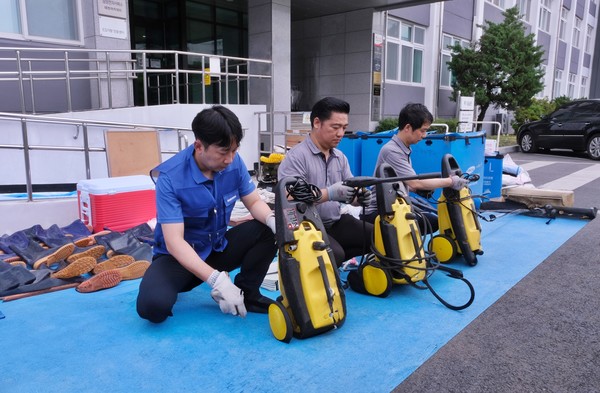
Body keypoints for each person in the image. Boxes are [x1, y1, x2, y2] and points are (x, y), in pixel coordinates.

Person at [136, 105, 277, 323]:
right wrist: (217, 281)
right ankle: (218, 286)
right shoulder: (170, 179)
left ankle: (247, 293)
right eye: (223, 152)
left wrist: (272, 220)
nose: (230, 159)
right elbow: (174, 243)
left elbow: (254, 201)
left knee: (266, 229)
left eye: (234, 150)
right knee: (152, 307)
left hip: (217, 248)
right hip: (179, 259)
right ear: (199, 146)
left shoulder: (233, 164)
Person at [277, 97, 373, 267]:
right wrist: (329, 194)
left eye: (344, 128)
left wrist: (358, 198)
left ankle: (342, 266)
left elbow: (349, 192)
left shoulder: (340, 157)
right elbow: (290, 199)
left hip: (335, 222)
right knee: (334, 254)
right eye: (335, 127)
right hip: (307, 228)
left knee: (380, 235)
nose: (341, 134)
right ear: (316, 123)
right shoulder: (296, 157)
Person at [361, 103, 469, 232]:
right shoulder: (392, 151)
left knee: (432, 218)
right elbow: (415, 182)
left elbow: (410, 185)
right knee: (431, 222)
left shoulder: (402, 148)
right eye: (422, 131)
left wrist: (424, 188)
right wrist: (451, 181)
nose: (424, 136)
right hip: (379, 211)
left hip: (395, 206)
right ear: (408, 127)